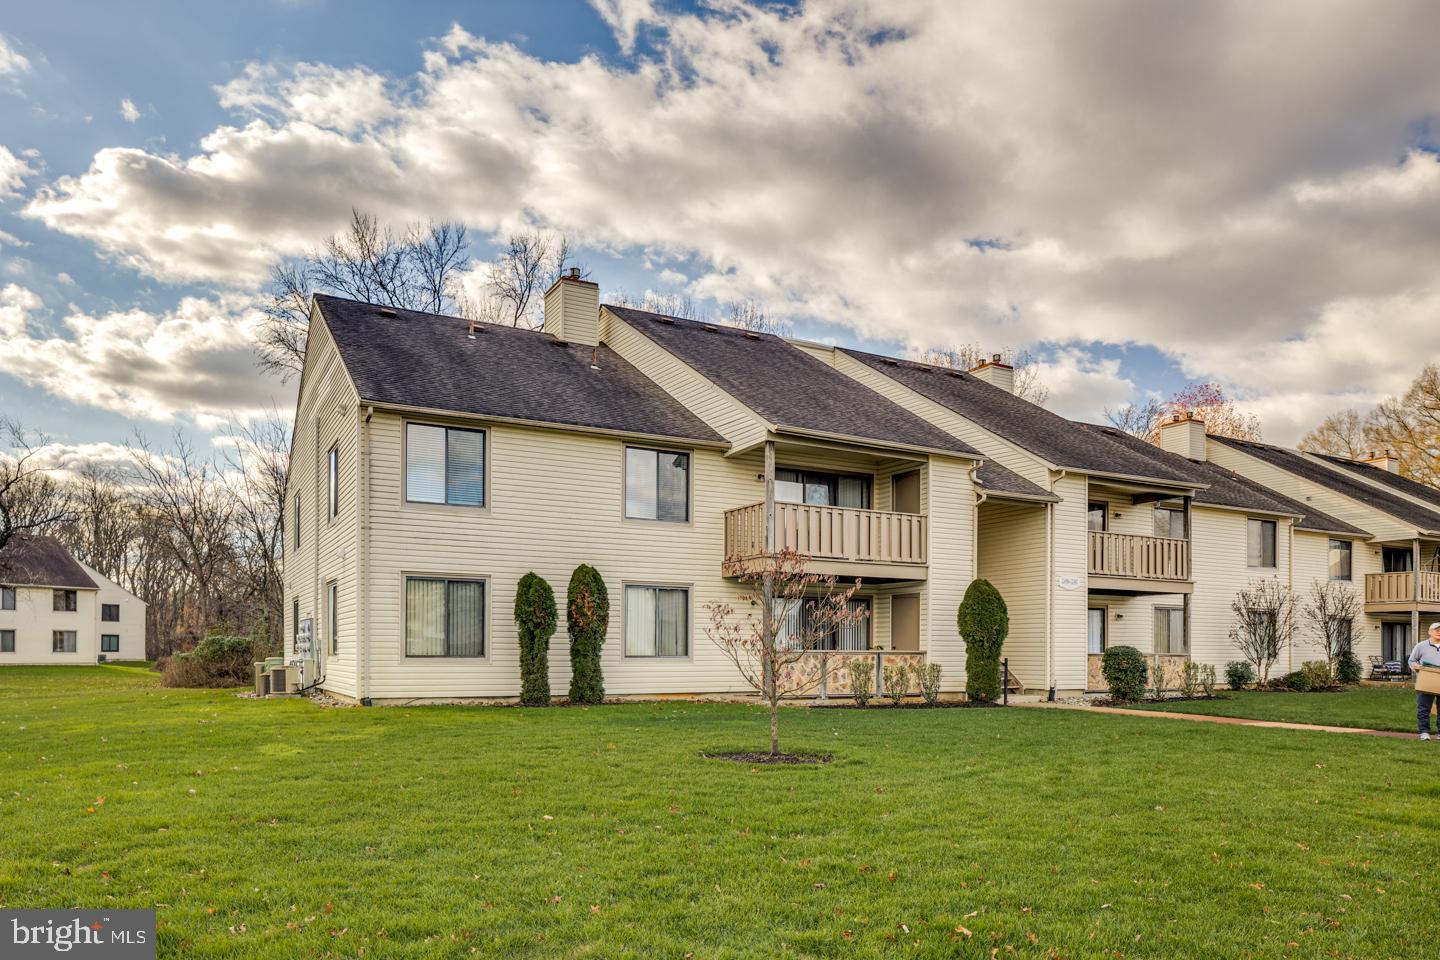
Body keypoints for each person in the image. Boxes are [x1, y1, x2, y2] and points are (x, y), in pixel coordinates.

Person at [1409, 623, 1440, 740]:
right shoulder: (1421, 646)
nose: (1438, 632)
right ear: (1429, 632)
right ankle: (1424, 732)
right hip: (1426, 682)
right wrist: (1420, 669)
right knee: (1424, 708)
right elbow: (1412, 661)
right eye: (1436, 630)